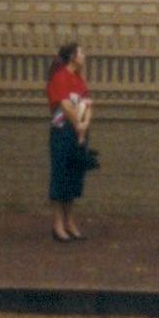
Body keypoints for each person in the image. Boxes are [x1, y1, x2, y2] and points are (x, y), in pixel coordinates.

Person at [45, 41, 94, 243]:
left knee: (74, 176)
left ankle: (70, 221)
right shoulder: (60, 78)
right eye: (82, 52)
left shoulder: (79, 80)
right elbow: (65, 105)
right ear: (73, 56)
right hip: (63, 131)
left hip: (78, 133)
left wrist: (85, 124)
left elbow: (88, 104)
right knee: (61, 175)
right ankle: (58, 224)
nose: (84, 56)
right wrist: (78, 124)